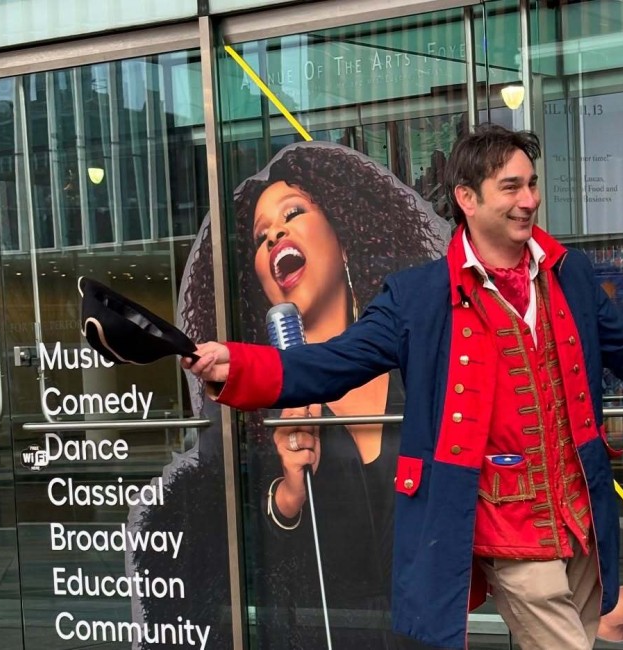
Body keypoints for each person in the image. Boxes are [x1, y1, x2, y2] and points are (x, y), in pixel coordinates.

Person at [184, 125, 623, 649]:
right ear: (467, 199)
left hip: (580, 513)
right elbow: (333, 363)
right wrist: (236, 366)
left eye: (532, 184)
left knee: (580, 631)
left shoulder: (568, 274)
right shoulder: (418, 297)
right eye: (511, 188)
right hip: (505, 525)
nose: (529, 200)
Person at [176, 141, 450, 648]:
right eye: (261, 237)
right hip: (330, 626)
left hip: (424, 614)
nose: (275, 234)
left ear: (343, 239)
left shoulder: (413, 360)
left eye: (293, 213)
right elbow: (230, 546)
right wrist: (288, 493)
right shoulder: (258, 404)